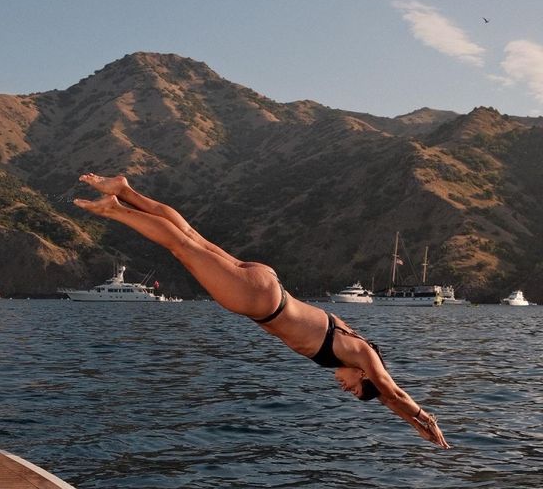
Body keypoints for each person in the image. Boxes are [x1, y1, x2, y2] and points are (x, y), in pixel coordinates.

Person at [74, 173, 450, 449]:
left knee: (191, 237)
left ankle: (125, 190)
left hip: (266, 283)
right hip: (259, 301)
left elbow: (386, 396)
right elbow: (392, 393)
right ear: (364, 375)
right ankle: (116, 209)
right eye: (354, 390)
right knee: (181, 246)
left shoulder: (352, 339)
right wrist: (424, 420)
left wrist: (411, 420)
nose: (345, 389)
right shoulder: (362, 354)